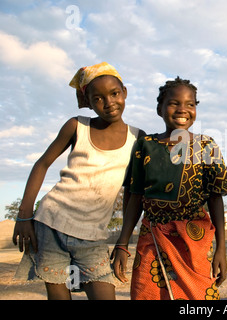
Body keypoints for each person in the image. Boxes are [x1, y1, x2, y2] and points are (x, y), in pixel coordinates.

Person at [12, 62, 145, 300]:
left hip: (93, 236)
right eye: (98, 98)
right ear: (89, 102)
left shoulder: (138, 138)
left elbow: (132, 192)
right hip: (51, 224)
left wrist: (123, 242)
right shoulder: (77, 126)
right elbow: (42, 164)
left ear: (124, 92)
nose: (109, 102)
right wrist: (24, 214)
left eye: (114, 93)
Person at [112, 76, 227, 300]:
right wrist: (122, 244)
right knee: (147, 293)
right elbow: (135, 197)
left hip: (194, 240)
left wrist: (221, 250)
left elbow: (216, 198)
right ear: (160, 108)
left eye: (190, 104)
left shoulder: (207, 146)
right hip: (152, 238)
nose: (182, 109)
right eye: (174, 103)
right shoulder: (145, 145)